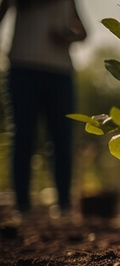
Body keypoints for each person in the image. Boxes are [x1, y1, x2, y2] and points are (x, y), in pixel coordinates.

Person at [0, 0, 86, 217]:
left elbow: (83, 32)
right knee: (23, 136)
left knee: (62, 138)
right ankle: (22, 206)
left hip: (60, 71)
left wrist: (67, 36)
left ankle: (64, 206)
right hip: (23, 67)